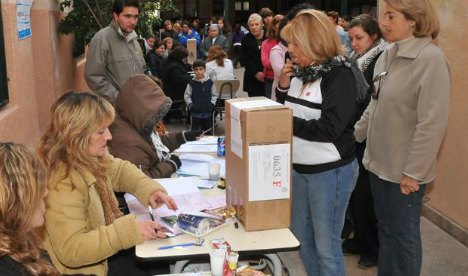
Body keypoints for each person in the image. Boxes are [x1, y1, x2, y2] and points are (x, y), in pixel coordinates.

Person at [354, 1, 450, 275]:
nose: (383, 22)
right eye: (384, 15)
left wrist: (414, 172)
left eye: (391, 16)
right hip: (378, 164)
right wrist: (355, 135)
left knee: (403, 237)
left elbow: (431, 124)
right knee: (386, 231)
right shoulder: (388, 54)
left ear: (413, 20)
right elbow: (375, 103)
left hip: (404, 173)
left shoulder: (430, 60)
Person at [38, 91, 178, 276]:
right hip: (88, 269)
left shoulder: (86, 156)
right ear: (78, 134)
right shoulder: (62, 182)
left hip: (101, 255)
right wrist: (128, 232)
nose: (110, 136)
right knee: (158, 263)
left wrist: (148, 189)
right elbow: (72, 250)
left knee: (161, 259)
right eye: (101, 131)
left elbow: (118, 170)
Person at [277, 9, 369, 275]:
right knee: (302, 239)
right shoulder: (302, 72)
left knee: (326, 248)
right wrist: (283, 88)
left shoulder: (339, 75)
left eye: (294, 43)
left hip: (330, 172)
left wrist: (283, 122)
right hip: (301, 169)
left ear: (313, 42)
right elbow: (290, 111)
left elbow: (330, 128)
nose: (290, 49)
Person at [341, 14, 387, 269]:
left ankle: (372, 248)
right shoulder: (355, 59)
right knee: (354, 192)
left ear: (374, 36)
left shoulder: (379, 59)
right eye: (351, 39)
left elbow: (372, 101)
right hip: (353, 132)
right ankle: (359, 238)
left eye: (359, 38)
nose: (354, 44)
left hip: (368, 134)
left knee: (365, 195)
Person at [109, 74, 202, 179]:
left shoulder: (134, 120)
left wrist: (182, 137)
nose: (159, 118)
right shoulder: (128, 140)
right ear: (144, 105)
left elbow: (152, 145)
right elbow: (142, 181)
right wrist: (170, 165)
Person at [0, 143, 60, 276]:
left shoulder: (18, 239)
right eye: (38, 186)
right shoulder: (7, 269)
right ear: (16, 200)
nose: (45, 192)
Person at [85, 0, 145, 103]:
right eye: (127, 16)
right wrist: (120, 99)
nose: (133, 21)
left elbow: (141, 71)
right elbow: (93, 77)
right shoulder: (101, 38)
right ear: (116, 16)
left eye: (135, 16)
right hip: (116, 111)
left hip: (138, 106)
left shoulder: (134, 40)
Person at [184, 60, 217, 134]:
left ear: (205, 70)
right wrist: (191, 105)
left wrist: (212, 104)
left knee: (208, 132)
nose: (198, 71)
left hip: (208, 112)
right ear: (193, 70)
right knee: (195, 133)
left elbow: (214, 94)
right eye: (196, 69)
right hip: (195, 113)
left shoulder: (210, 82)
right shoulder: (191, 83)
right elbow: (187, 96)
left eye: (201, 69)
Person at [239, 13, 266, 97]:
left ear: (262, 25)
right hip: (252, 77)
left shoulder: (269, 36)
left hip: (268, 76)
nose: (254, 27)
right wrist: (256, 73)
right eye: (251, 25)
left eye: (256, 24)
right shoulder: (245, 39)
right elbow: (244, 59)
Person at [261, 14, 284, 99]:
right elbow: (265, 63)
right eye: (280, 24)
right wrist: (281, 63)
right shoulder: (266, 43)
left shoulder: (290, 41)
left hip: (288, 80)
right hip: (270, 79)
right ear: (274, 26)